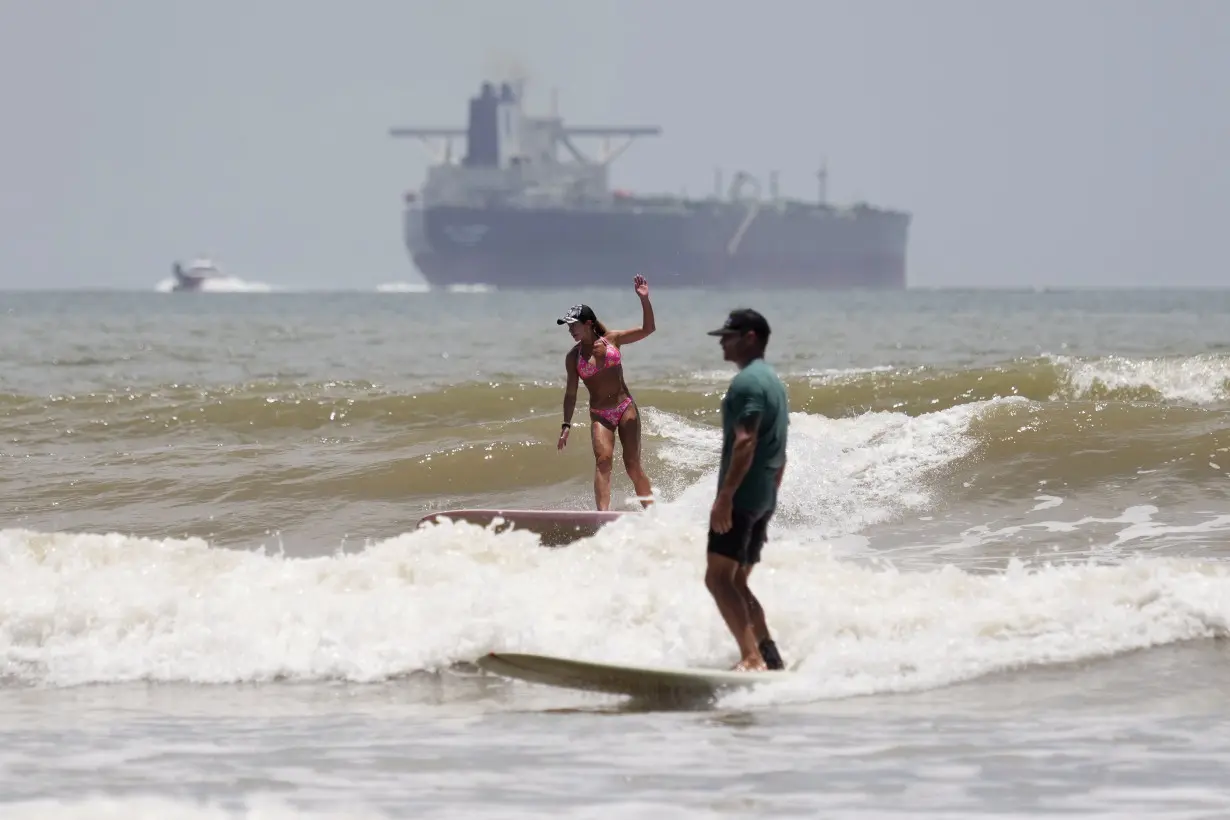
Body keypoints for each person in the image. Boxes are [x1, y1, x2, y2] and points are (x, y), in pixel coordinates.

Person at [704, 308, 789, 672]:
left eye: (729, 335)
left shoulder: (748, 384)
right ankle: (769, 654)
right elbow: (780, 446)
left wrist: (725, 497)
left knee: (718, 577)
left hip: (742, 497)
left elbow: (745, 442)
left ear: (750, 337)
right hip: (763, 495)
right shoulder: (772, 381)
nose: (722, 341)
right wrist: (769, 495)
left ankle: (751, 657)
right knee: (737, 580)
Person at [557, 275, 657, 510]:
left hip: (625, 408)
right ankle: (602, 518)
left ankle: (652, 512)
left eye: (575, 325)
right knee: (603, 462)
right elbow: (571, 394)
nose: (571, 330)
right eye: (569, 326)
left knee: (632, 465)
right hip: (600, 414)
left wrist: (644, 300)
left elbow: (648, 329)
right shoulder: (573, 357)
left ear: (589, 323)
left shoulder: (613, 340)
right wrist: (566, 425)